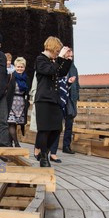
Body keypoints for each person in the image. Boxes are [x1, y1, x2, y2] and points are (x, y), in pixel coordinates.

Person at [34, 36, 72, 167]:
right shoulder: (40, 59)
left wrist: (67, 59)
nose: (58, 52)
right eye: (58, 50)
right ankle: (44, 156)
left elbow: (61, 72)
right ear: (53, 47)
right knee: (44, 129)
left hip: (54, 99)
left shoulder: (52, 61)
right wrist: (60, 58)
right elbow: (50, 70)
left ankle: (44, 151)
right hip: (43, 99)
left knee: (57, 128)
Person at [49, 70, 77, 162]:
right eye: (68, 55)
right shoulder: (56, 67)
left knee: (59, 128)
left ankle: (53, 153)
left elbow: (73, 86)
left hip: (66, 101)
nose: (70, 57)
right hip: (53, 100)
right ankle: (43, 151)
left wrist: (69, 83)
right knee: (49, 128)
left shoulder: (73, 69)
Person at [6, 57, 30, 147]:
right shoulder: (10, 76)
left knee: (16, 123)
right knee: (11, 123)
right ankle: (16, 143)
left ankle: (9, 143)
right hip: (11, 102)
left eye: (22, 67)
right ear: (15, 66)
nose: (20, 69)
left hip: (21, 103)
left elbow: (28, 91)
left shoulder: (26, 78)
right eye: (18, 67)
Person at [63, 62, 80, 154]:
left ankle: (66, 145)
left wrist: (76, 96)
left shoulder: (74, 68)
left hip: (71, 99)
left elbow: (77, 83)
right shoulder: (60, 65)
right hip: (61, 97)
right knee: (56, 124)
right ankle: (51, 147)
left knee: (69, 124)